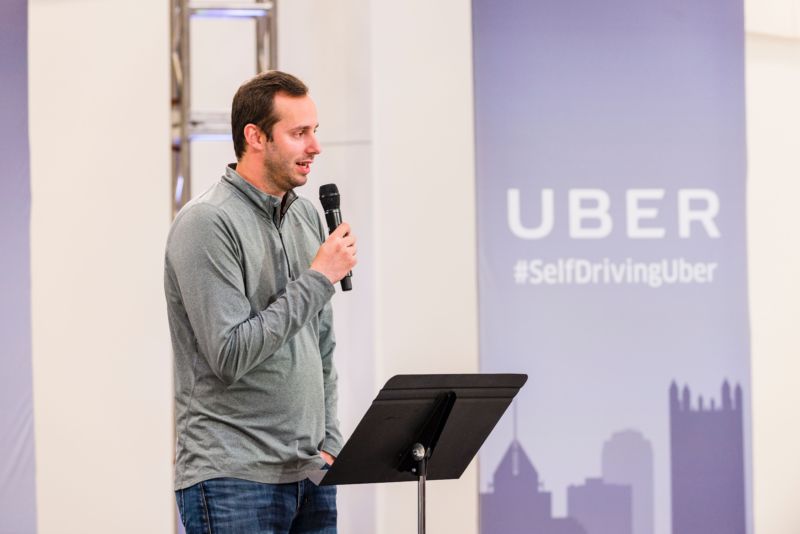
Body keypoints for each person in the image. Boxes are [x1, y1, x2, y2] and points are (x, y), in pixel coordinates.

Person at [164, 70, 356, 533]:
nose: (315, 147)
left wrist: (329, 438)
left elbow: (321, 342)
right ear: (255, 137)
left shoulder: (306, 215)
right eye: (299, 133)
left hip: (310, 471)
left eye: (315, 132)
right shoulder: (207, 223)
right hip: (233, 476)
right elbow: (229, 354)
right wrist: (318, 277)